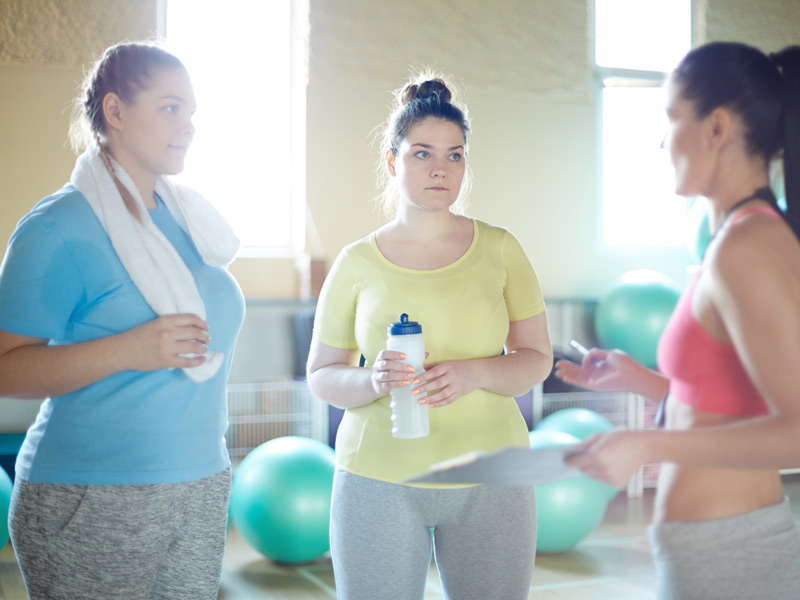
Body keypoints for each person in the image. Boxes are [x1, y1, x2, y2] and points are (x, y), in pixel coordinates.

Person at [555, 41, 800, 600]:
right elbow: (727, 403)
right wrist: (639, 380)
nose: (662, 141)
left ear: (716, 128)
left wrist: (648, 445)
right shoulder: (733, 240)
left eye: (670, 119)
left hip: (733, 555)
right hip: (710, 548)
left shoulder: (750, 246)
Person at [0, 41, 245, 599]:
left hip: (200, 484)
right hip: (90, 495)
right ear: (115, 111)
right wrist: (129, 350)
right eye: (169, 107)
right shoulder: (57, 227)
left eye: (191, 111)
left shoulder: (188, 220)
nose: (187, 125)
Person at [306, 74, 553, 600]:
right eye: (422, 154)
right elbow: (322, 376)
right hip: (378, 480)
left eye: (455, 155)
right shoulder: (355, 263)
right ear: (393, 162)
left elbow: (536, 360)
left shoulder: (502, 249)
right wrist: (372, 380)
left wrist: (478, 371)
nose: (440, 168)